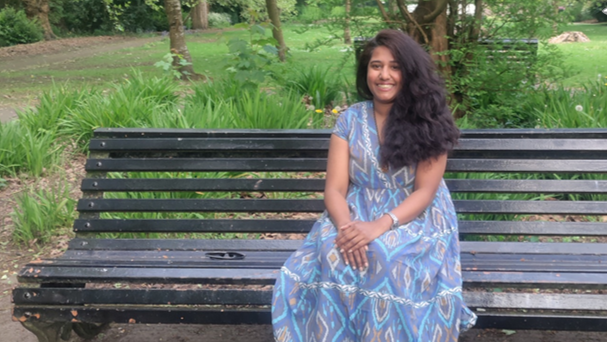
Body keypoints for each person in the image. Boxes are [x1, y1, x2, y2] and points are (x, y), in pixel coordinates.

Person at [272, 29, 477, 342]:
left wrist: (378, 227)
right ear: (365, 70)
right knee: (331, 251)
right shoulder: (350, 120)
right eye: (376, 65)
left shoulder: (430, 120)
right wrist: (347, 228)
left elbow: (425, 191)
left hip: (414, 215)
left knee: (384, 254)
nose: (384, 75)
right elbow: (334, 190)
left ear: (409, 73)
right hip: (352, 212)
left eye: (395, 67)